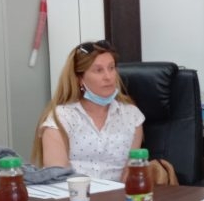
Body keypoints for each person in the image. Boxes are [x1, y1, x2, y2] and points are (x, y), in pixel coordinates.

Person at [31, 40, 144, 182]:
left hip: (119, 194)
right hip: (75, 194)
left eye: (111, 68)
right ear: (80, 78)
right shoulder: (61, 118)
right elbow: (56, 176)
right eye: (98, 70)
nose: (108, 77)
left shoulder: (132, 116)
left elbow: (131, 174)